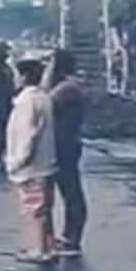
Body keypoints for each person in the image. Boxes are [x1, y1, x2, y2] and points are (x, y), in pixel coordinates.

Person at [4, 58, 58, 264]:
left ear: (24, 77)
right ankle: (50, 246)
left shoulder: (26, 101)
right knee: (45, 208)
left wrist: (17, 161)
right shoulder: (43, 97)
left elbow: (27, 135)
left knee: (35, 209)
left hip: (32, 165)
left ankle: (41, 249)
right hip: (45, 162)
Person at [46, 49, 88, 257]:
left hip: (66, 145)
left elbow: (45, 104)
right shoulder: (66, 87)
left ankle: (72, 238)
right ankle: (67, 235)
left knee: (71, 192)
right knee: (67, 190)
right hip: (62, 144)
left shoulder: (67, 89)